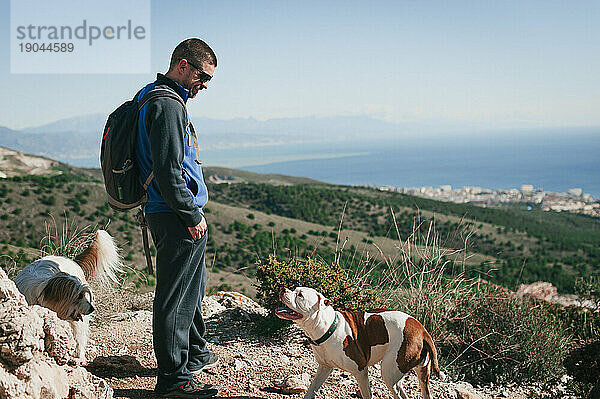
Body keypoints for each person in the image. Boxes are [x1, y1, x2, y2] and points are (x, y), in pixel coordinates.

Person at [135, 38, 218, 398]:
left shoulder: (150, 94)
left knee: (190, 288)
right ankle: (174, 380)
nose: (205, 85)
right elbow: (169, 173)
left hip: (166, 211)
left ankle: (195, 351)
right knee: (175, 296)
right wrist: (190, 213)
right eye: (202, 76)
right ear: (182, 66)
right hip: (173, 214)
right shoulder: (168, 106)